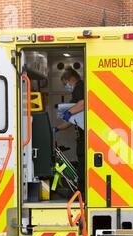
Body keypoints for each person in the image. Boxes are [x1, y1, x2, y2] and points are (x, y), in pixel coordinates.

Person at [55, 67, 85, 196]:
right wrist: (58, 128)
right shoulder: (78, 90)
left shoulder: (79, 86)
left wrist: (68, 112)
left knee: (83, 165)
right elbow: (71, 119)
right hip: (81, 137)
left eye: (65, 83)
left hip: (85, 138)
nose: (66, 86)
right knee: (81, 164)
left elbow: (83, 103)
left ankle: (82, 193)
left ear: (70, 80)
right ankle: (81, 191)